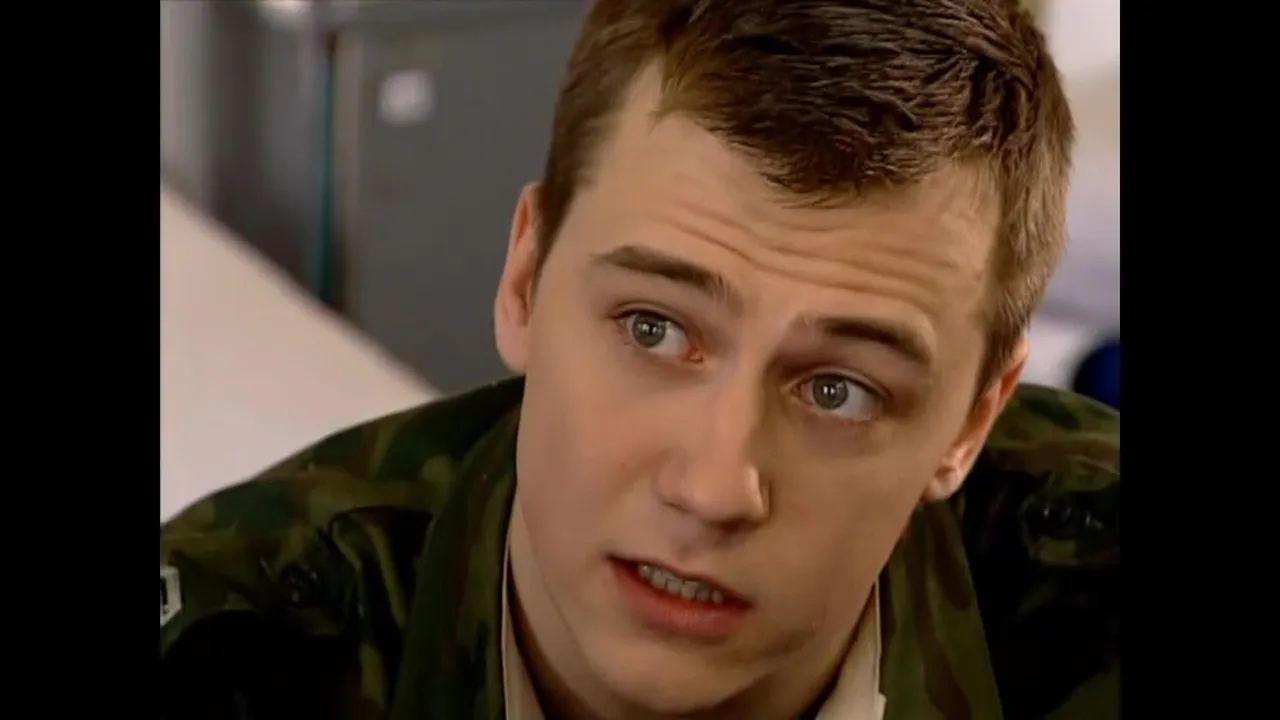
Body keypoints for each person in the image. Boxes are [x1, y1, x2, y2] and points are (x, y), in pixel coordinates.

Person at [159, 0, 1120, 718]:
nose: (711, 489)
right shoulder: (229, 658)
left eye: (841, 390)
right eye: (653, 329)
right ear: (526, 278)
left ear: (971, 423)